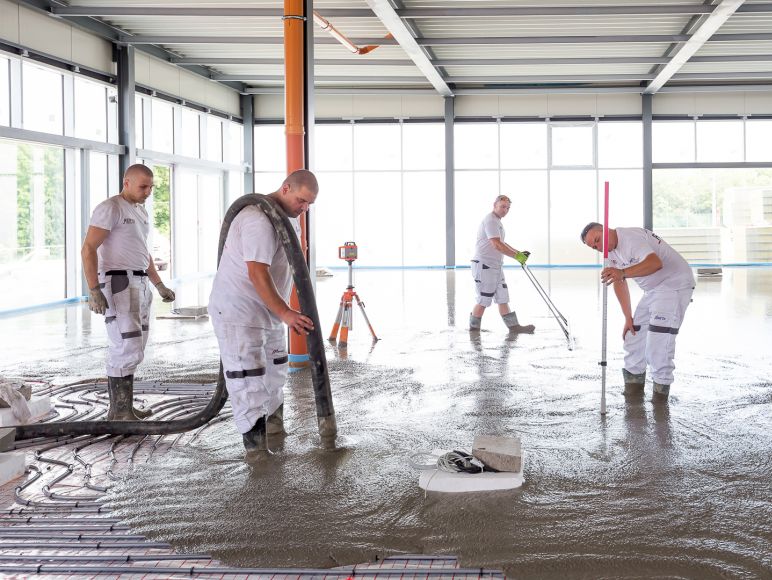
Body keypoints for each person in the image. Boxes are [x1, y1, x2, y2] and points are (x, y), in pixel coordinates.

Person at [208, 170, 318, 456]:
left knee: (274, 373)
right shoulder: (257, 219)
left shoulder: (288, 220)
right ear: (285, 188)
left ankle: (275, 434)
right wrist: (286, 312)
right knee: (249, 379)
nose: (303, 208)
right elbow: (257, 272)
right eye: (301, 200)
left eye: (309, 204)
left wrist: (282, 312)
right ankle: (257, 454)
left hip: (267, 311)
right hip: (240, 312)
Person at [81, 164, 176, 420]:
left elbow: (142, 254)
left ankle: (125, 407)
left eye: (151, 187)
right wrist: (94, 289)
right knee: (126, 345)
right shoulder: (110, 208)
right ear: (127, 182)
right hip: (118, 282)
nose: (148, 192)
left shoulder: (140, 212)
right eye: (143, 186)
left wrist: (159, 284)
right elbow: (88, 249)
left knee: (137, 346)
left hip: (140, 283)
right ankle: (119, 411)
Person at [580, 222, 695, 402]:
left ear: (605, 228)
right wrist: (628, 317)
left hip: (674, 285)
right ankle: (633, 390)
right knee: (633, 337)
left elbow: (654, 263)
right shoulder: (609, 254)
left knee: (658, 345)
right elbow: (618, 281)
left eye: (597, 240)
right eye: (594, 247)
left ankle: (660, 399)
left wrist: (622, 272)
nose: (599, 248)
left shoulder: (630, 238)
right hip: (652, 291)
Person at [469, 195, 535, 333]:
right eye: (502, 206)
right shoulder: (491, 221)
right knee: (483, 300)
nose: (505, 210)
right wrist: (517, 256)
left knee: (502, 297)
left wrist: (519, 253)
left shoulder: (497, 222)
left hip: (495, 266)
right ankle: (474, 329)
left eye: (508, 208)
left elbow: (502, 243)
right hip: (484, 266)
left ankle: (514, 327)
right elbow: (496, 245)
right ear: (494, 205)